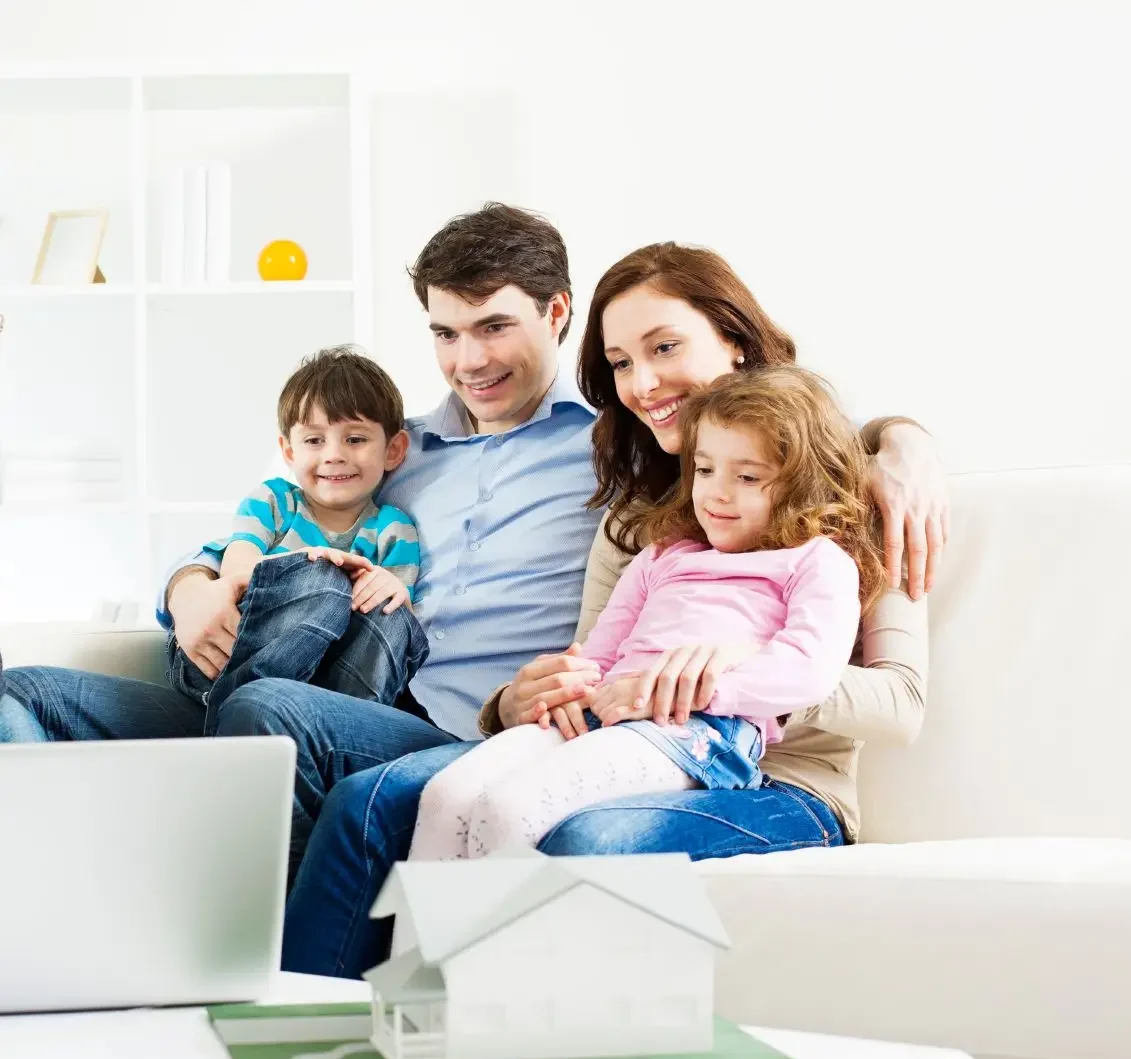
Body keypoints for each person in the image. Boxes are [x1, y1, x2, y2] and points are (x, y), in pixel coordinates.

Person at [278, 240, 934, 979]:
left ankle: (460, 1017)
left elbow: (899, 704)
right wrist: (516, 701)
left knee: (587, 837)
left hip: (780, 779)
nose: (642, 381)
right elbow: (595, 660)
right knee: (374, 799)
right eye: (620, 362)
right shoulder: (637, 520)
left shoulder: (854, 496)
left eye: (664, 346)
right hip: (613, 739)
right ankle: (308, 1034)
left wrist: (714, 680)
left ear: (738, 343)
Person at [0, 203, 602, 877]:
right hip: (282, 684)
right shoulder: (386, 445)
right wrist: (188, 589)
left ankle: (230, 928)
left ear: (554, 314)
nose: (467, 361)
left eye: (493, 327)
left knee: (265, 707)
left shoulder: (611, 451)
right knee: (24, 694)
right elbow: (259, 530)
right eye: (445, 333)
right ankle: (46, 909)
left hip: (450, 728)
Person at [407, 367, 886, 862]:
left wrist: (694, 686)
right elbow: (599, 654)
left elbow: (809, 670)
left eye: (747, 477)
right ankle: (432, 940)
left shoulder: (817, 560)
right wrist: (570, 691)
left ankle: (506, 938)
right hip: (605, 713)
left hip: (699, 730)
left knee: (511, 809)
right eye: (704, 470)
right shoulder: (661, 557)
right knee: (447, 797)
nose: (717, 493)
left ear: (802, 483)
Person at [165, 346, 429, 733]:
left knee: (392, 619)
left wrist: (389, 586)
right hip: (223, 656)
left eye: (355, 439)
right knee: (321, 582)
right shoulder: (274, 501)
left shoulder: (393, 528)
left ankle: (333, 730)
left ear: (393, 450)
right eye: (314, 441)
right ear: (288, 450)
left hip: (321, 684)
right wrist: (311, 567)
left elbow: (394, 614)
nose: (334, 455)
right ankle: (239, 720)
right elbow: (238, 573)